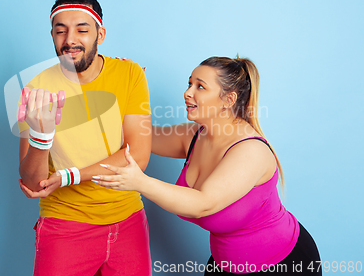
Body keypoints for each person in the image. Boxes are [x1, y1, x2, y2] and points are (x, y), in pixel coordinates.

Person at [93, 56, 321, 275]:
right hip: (225, 264)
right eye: (189, 83)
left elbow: (203, 204)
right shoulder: (193, 135)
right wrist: (126, 88)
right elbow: (139, 137)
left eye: (200, 87)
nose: (187, 93)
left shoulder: (250, 151)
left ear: (228, 100)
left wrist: (140, 182)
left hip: (282, 264)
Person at [17, 0, 152, 276]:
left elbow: (137, 157)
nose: (70, 40)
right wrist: (42, 137)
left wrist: (70, 175)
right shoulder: (35, 89)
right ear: (52, 35)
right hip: (65, 226)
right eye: (60, 31)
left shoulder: (130, 75)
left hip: (127, 219)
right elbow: (33, 183)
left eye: (82, 29)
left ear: (100, 34)